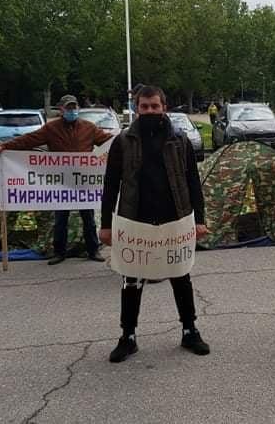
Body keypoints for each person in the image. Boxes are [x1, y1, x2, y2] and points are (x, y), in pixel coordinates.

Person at [99, 85, 210, 363]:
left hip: (175, 218)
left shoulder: (180, 140)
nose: (150, 111)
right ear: (137, 108)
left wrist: (200, 219)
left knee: (180, 276)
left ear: (164, 108)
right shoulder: (123, 142)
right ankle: (128, 337)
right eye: (145, 107)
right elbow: (110, 186)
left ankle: (189, 330)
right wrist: (105, 225)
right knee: (131, 280)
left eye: (155, 106)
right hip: (134, 220)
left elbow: (193, 182)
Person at [0, 95, 112, 265]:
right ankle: (59, 252)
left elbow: (109, 142)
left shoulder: (89, 128)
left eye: (74, 107)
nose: (72, 111)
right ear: (61, 110)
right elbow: (29, 139)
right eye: (68, 108)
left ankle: (92, 250)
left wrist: (124, 142)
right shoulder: (51, 128)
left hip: (83, 181)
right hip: (60, 182)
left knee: (88, 219)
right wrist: (6, 146)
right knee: (60, 220)